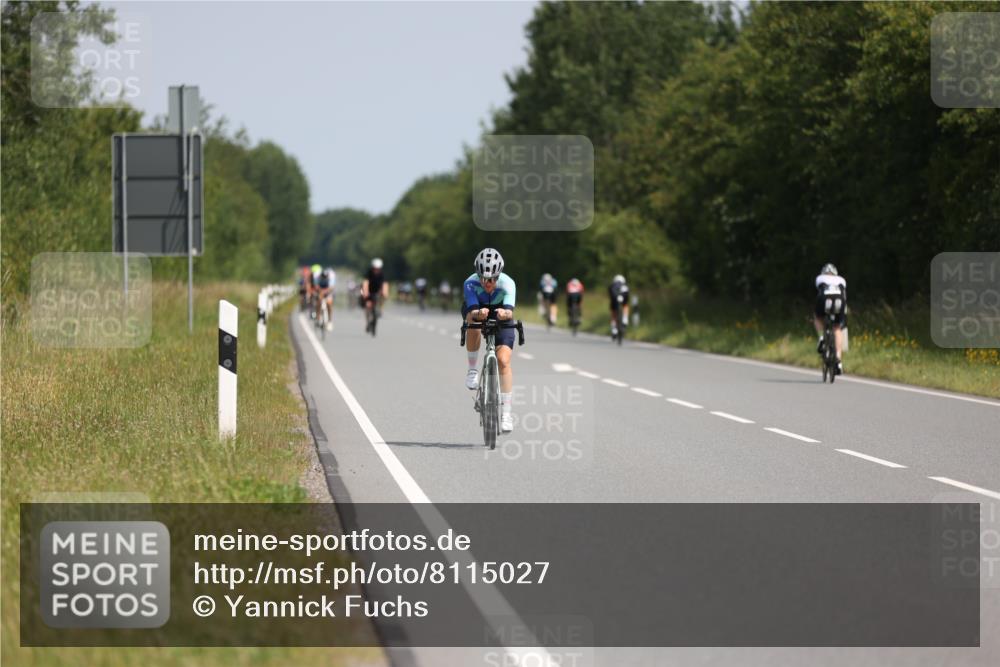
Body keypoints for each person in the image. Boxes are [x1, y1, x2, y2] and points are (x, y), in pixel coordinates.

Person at [464, 248, 517, 433]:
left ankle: (507, 414)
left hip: (501, 311)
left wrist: (505, 313)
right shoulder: (470, 284)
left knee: (503, 360)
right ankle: (472, 369)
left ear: (498, 275)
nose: (488, 283)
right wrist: (478, 313)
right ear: (478, 275)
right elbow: (471, 310)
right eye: (484, 279)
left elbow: (510, 311)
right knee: (472, 321)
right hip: (478, 309)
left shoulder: (508, 283)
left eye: (492, 279)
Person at [814, 263, 847, 375]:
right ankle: (838, 360)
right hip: (840, 299)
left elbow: (818, 292)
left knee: (818, 317)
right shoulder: (841, 279)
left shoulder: (819, 278)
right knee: (837, 327)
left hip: (824, 298)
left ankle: (822, 337)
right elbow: (844, 296)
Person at [361, 258, 388, 332]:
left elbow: (385, 284)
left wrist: (385, 292)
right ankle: (368, 322)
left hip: (377, 291)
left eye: (378, 268)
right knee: (368, 306)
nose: (376, 270)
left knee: (383, 297)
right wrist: (365, 292)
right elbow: (365, 283)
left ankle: (381, 309)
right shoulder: (369, 272)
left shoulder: (382, 274)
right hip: (369, 291)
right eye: (375, 268)